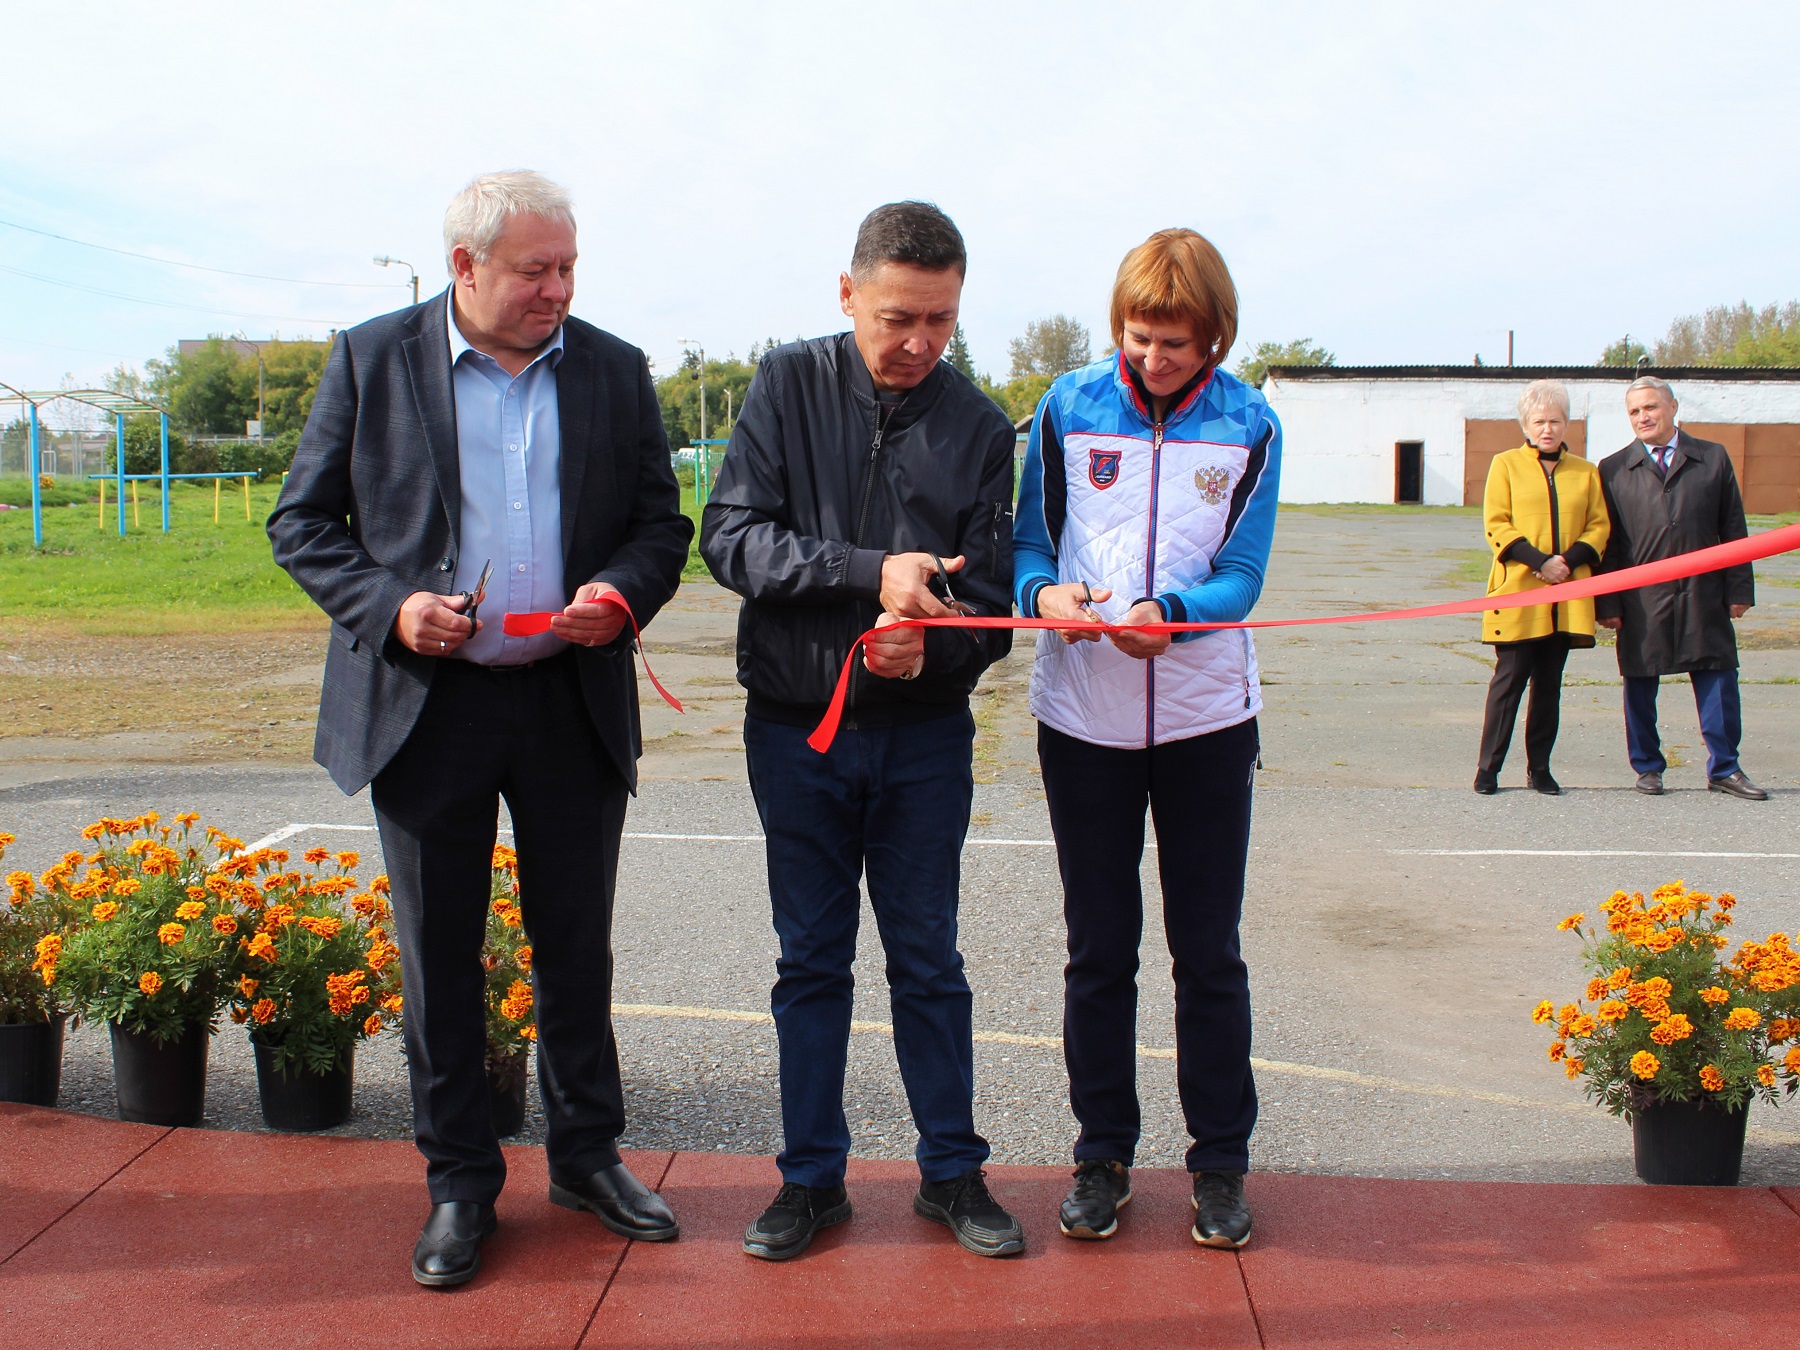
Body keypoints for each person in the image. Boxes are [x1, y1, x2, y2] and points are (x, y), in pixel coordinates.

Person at [268, 171, 693, 1287]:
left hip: (567, 697)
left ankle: (588, 1159)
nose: (558, 289)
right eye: (534, 271)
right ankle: (460, 1184)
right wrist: (390, 609)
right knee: (440, 959)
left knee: (577, 948)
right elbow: (302, 522)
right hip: (428, 707)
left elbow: (662, 524)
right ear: (465, 266)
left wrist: (620, 593)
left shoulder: (614, 367)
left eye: (569, 269)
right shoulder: (370, 360)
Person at [700, 201, 1023, 1262]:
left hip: (926, 738)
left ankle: (951, 1173)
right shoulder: (785, 385)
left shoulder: (980, 427)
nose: (920, 343)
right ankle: (810, 1181)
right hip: (797, 731)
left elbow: (993, 615)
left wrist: (931, 650)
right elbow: (732, 539)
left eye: (941, 319)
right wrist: (863, 572)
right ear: (848, 295)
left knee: (929, 958)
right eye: (898, 317)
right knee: (811, 962)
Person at [1013, 227, 1281, 1249]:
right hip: (1084, 717)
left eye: (1180, 345)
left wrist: (1173, 608)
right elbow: (1031, 541)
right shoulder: (1068, 407)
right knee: (1099, 950)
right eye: (1141, 338)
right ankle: (1102, 1156)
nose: (1158, 361)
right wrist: (1049, 593)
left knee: (1207, 952)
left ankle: (1219, 1165)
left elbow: (1244, 574)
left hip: (1209, 714)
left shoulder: (1251, 420)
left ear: (1215, 337)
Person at [1595, 376, 1765, 800]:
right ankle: (1648, 768)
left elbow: (1733, 529)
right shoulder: (1614, 469)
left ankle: (1725, 768)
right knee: (1639, 684)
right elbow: (1609, 544)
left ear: (1672, 407)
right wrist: (1608, 602)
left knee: (1718, 679)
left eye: (1650, 407)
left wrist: (1739, 588)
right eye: (1634, 411)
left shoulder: (1712, 458)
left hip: (1703, 594)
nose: (1643, 417)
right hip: (1642, 601)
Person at [1473, 380, 1610, 795]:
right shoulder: (1506, 464)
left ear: (1567, 423)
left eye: (1555, 420)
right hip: (1519, 591)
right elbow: (1497, 522)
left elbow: (1599, 525)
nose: (1547, 428)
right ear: (1525, 424)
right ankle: (1488, 770)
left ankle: (1541, 769)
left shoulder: (1586, 472)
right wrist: (1540, 562)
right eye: (1539, 421)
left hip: (1566, 595)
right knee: (1508, 682)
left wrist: (1568, 561)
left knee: (1549, 686)